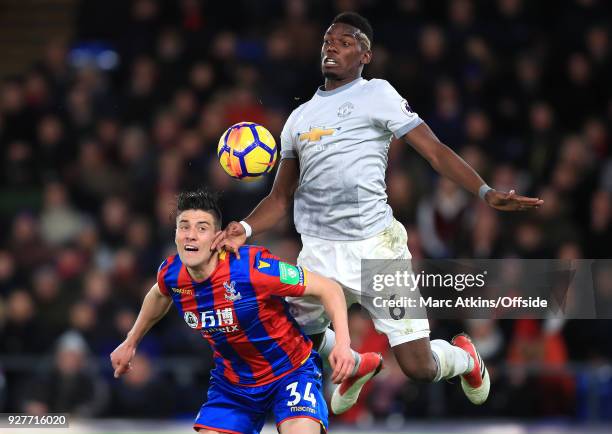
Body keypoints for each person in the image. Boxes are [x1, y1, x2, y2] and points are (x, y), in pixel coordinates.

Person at [212, 12, 544, 415]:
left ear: (365, 55)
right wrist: (243, 228)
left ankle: (465, 360)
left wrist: (484, 191)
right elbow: (281, 198)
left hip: (376, 248)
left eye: (345, 41)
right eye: (328, 40)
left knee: (418, 367)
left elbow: (435, 151)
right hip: (318, 252)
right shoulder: (299, 120)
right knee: (289, 335)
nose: (332, 46)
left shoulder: (378, 94)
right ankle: (353, 364)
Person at [111, 189, 355, 434]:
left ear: (217, 237)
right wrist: (131, 342)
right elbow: (159, 294)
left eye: (201, 228)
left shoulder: (251, 267)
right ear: (175, 235)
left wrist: (343, 344)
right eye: (184, 227)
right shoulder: (172, 273)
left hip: (290, 372)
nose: (191, 236)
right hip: (234, 385)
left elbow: (329, 289)